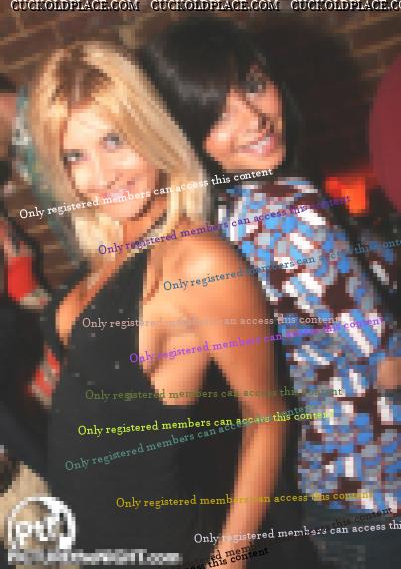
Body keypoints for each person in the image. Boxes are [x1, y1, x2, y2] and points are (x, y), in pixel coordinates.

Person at [138, 16, 401, 568]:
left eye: (254, 86)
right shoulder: (290, 213)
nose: (254, 119)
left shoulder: (219, 220)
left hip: (334, 489)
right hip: (383, 493)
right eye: (217, 114)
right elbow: (387, 366)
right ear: (186, 135)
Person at [28, 39, 285, 566]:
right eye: (75, 156)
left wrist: (229, 559)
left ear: (151, 128)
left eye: (114, 140)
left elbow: (267, 416)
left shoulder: (197, 260)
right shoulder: (111, 254)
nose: (101, 175)